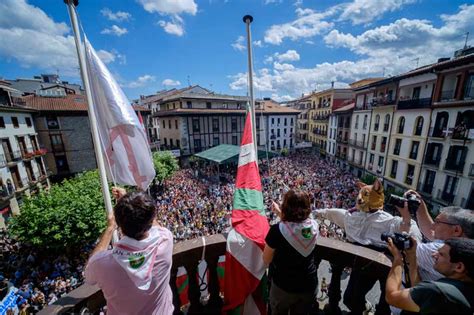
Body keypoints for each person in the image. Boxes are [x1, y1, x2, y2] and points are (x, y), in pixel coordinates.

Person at [85, 188, 174, 315]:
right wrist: (134, 204)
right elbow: (154, 223)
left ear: (118, 223)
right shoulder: (165, 241)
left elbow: (89, 275)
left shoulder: (101, 263)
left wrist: (110, 228)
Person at [263, 190, 319, 315]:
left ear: (285, 208)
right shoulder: (313, 227)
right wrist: (279, 212)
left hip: (283, 286)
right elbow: (297, 225)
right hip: (308, 285)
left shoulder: (276, 231)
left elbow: (266, 259)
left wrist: (281, 212)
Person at [386, 238, 474, 314]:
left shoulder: (436, 291)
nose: (434, 255)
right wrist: (412, 257)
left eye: (441, 254)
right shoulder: (466, 290)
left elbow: (391, 297)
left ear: (459, 267)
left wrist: (397, 260)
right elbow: (418, 292)